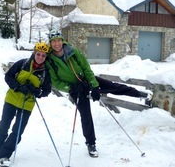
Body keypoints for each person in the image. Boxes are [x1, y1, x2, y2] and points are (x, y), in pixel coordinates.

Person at [45, 29, 152, 158]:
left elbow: (85, 67)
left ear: (62, 40)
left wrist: (94, 86)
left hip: (87, 81)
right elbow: (55, 82)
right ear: (50, 43)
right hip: (75, 89)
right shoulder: (49, 60)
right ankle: (91, 144)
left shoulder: (72, 51)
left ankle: (139, 94)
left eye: (58, 40)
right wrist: (70, 88)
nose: (57, 43)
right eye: (53, 41)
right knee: (86, 116)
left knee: (112, 86)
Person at [0, 42, 51, 167]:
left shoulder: (45, 72)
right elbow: (8, 76)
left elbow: (46, 90)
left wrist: (37, 91)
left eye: (43, 56)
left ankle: (4, 155)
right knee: (4, 125)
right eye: (38, 54)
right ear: (34, 53)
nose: (40, 57)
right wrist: (18, 86)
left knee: (17, 131)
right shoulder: (22, 63)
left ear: (46, 57)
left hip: (27, 104)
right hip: (12, 99)